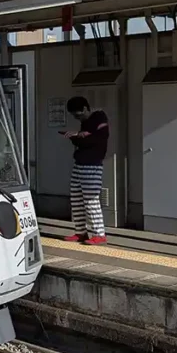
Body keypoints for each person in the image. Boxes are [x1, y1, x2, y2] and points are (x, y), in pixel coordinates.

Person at [62, 96, 109, 245]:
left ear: (85, 109)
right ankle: (80, 232)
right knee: (76, 198)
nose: (77, 118)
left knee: (90, 200)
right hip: (80, 164)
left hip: (92, 165)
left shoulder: (100, 118)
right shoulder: (85, 122)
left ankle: (99, 234)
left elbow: (97, 139)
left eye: (78, 114)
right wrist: (77, 136)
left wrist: (78, 136)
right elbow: (85, 138)